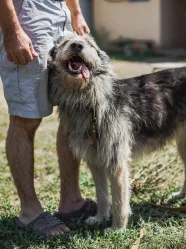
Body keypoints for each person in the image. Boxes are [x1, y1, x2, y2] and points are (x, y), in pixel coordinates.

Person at [0, 0, 97, 237]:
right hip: (28, 18)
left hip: (60, 15)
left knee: (72, 112)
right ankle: (30, 212)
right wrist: (12, 32)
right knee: (26, 118)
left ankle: (71, 201)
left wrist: (75, 11)